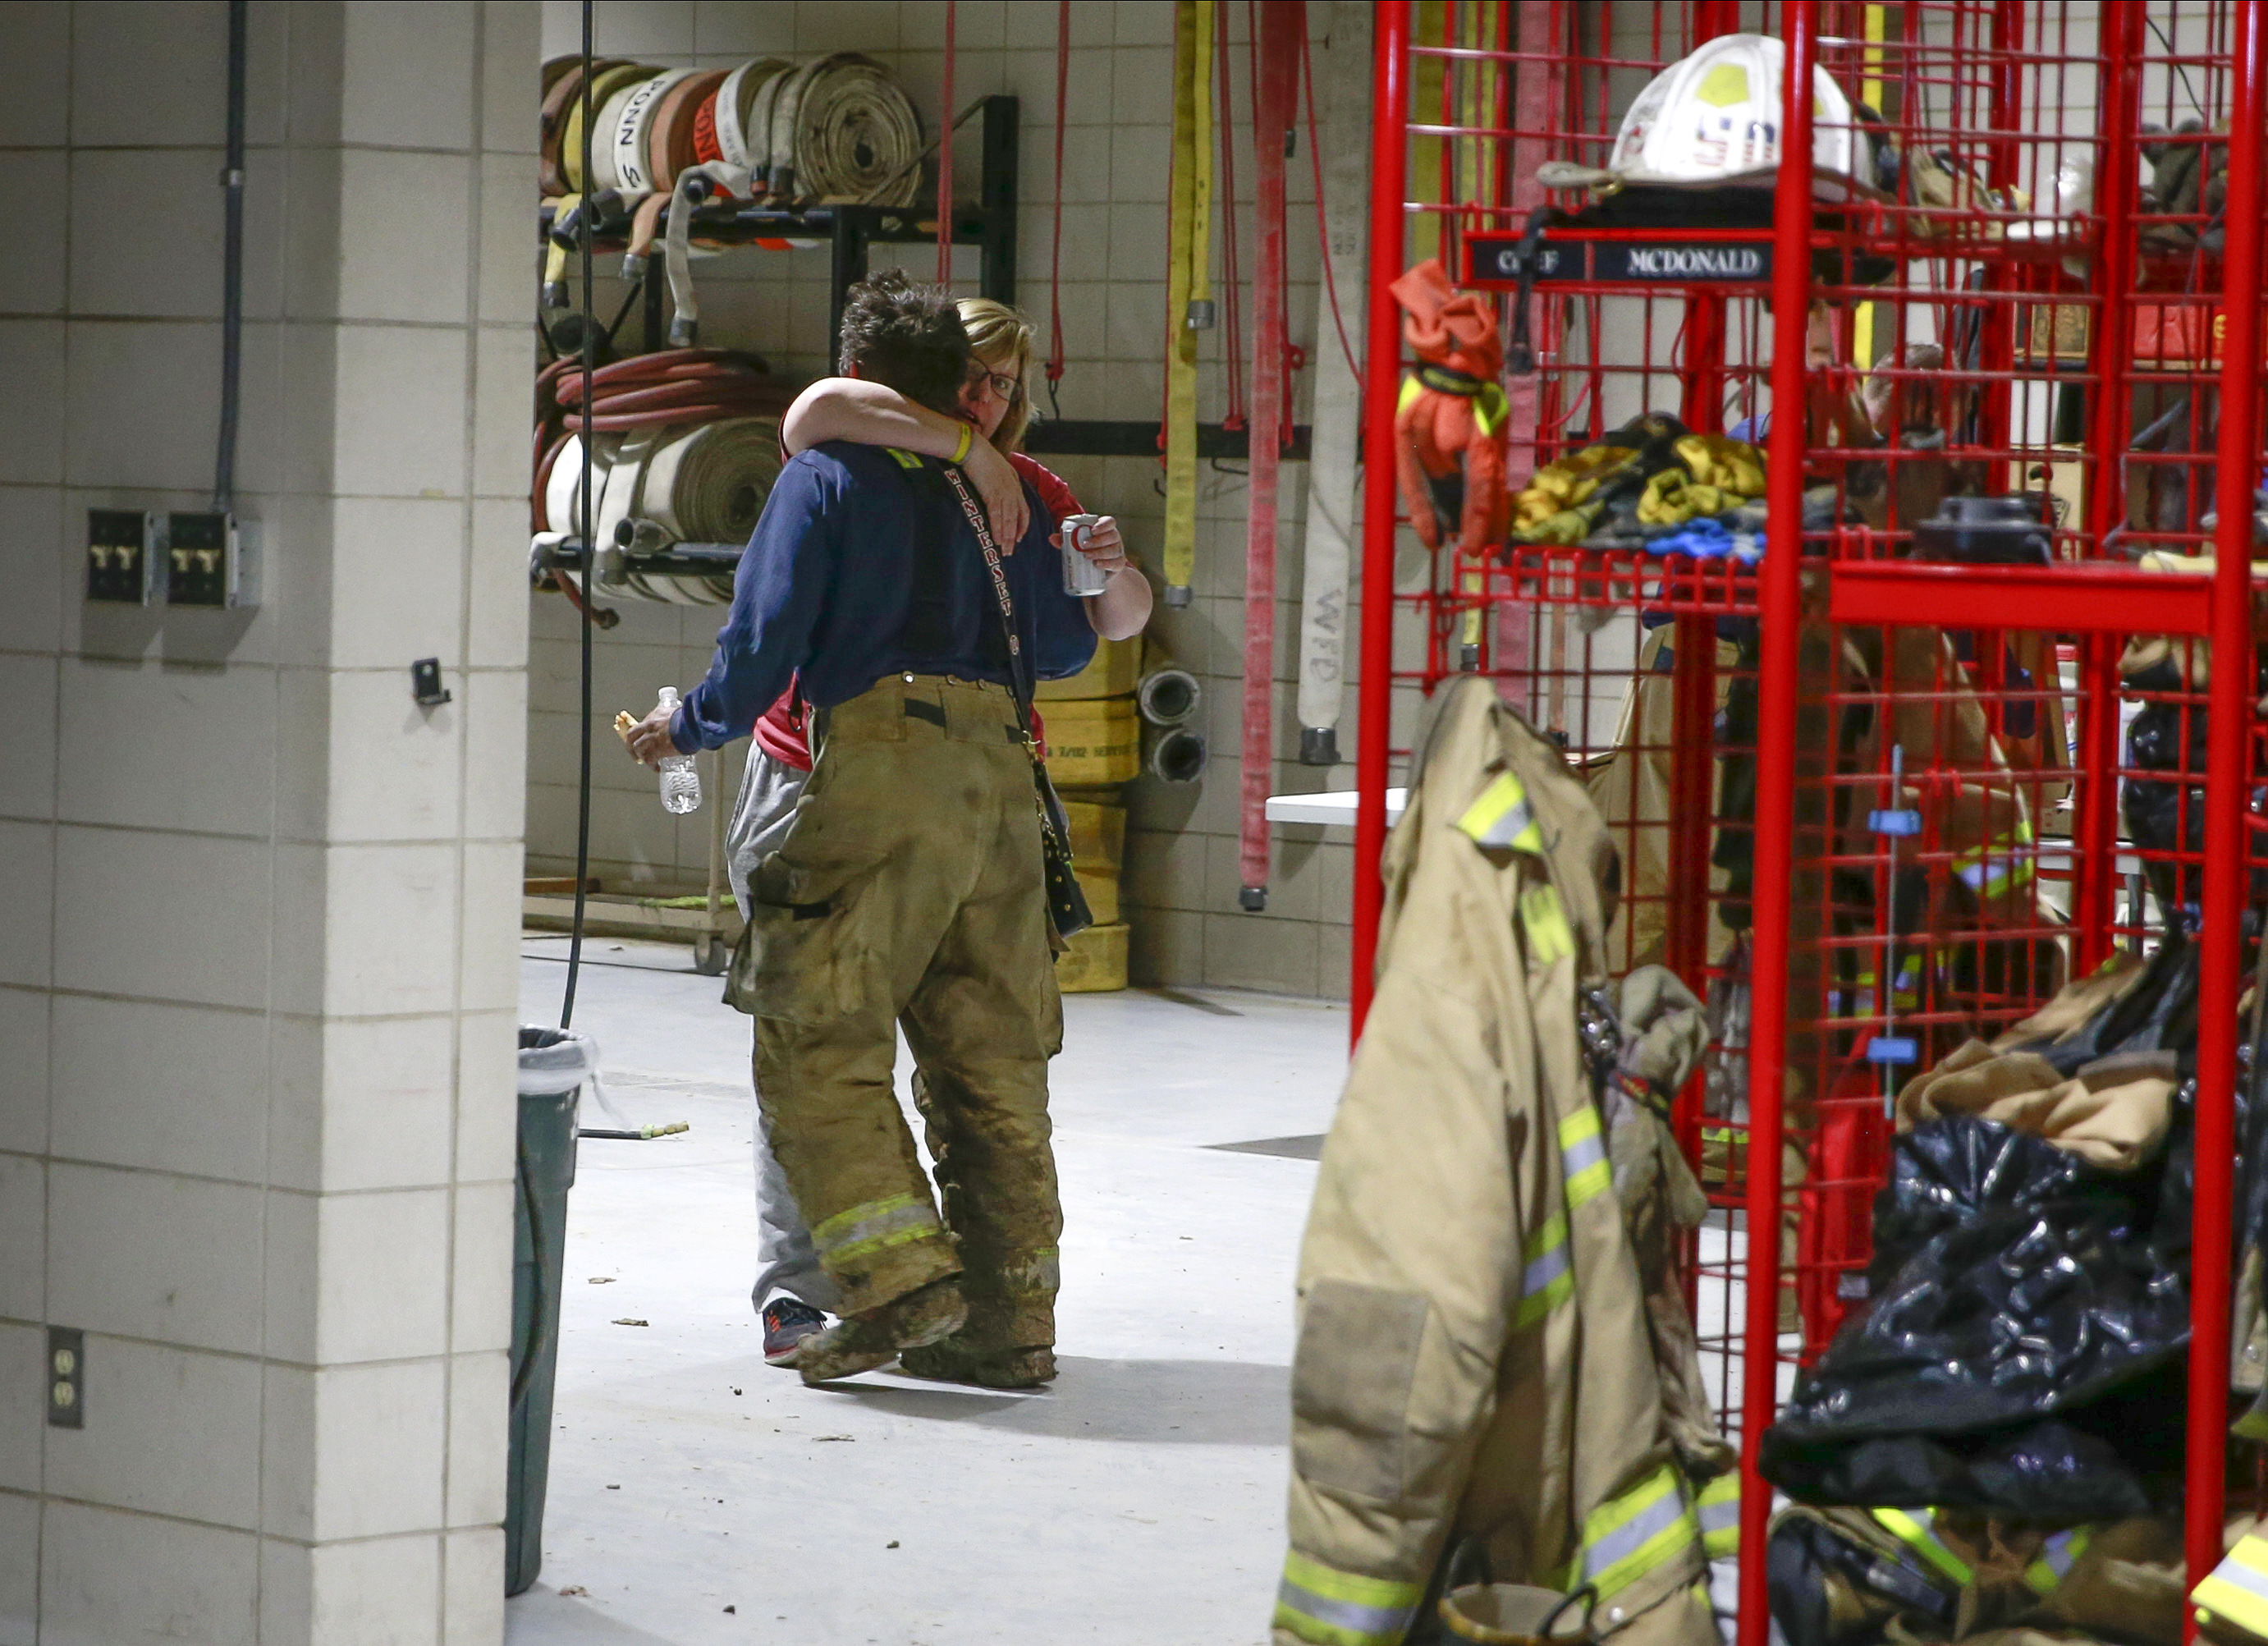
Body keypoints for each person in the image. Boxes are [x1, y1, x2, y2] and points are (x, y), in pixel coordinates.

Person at [625, 272, 1129, 1389]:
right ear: (955, 384)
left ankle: (898, 1281)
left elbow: (764, 641)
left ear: (859, 377)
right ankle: (1010, 1322)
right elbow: (1065, 649)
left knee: (818, 1032)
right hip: (1000, 789)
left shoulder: (826, 475)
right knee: (991, 1060)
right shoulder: (1007, 495)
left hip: (873, 772)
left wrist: (686, 726)